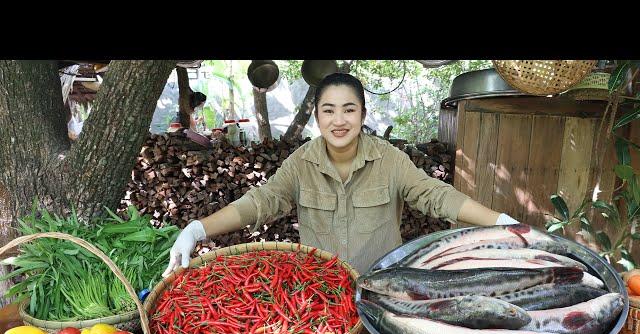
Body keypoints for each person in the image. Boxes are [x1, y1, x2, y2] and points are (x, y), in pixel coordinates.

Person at [162, 73, 518, 277]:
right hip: (321, 293)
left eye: (349, 109)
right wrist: (197, 228)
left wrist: (500, 220)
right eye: (329, 110)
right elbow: (261, 202)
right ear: (317, 116)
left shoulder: (389, 159)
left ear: (362, 114)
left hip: (381, 289)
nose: (339, 120)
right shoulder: (302, 163)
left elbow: (435, 195)